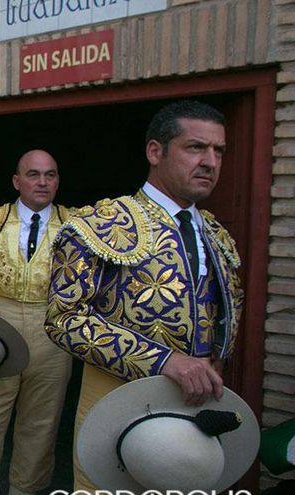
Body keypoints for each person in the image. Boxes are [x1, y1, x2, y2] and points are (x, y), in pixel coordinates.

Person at [44, 100, 244, 490]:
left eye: (218, 151)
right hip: (117, 393)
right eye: (195, 147)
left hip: (197, 399)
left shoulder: (216, 234)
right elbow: (63, 319)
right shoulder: (100, 224)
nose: (210, 162)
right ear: (155, 152)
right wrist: (164, 361)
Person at [0, 149, 71, 495]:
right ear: (16, 181)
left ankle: (26, 491)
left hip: (52, 329)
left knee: (42, 421)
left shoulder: (75, 226)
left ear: (57, 181)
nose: (42, 182)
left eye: (50, 175)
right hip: (0, 326)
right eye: (33, 174)